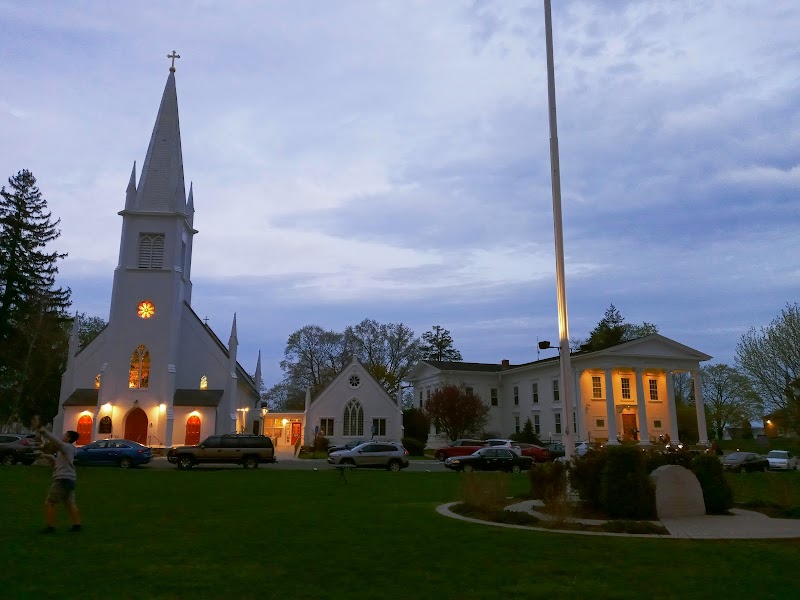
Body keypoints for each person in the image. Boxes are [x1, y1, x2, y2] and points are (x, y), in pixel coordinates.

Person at [39, 427, 81, 533]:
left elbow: (57, 442)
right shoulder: (70, 448)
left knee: (50, 502)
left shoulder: (66, 447)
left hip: (62, 479)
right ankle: (76, 525)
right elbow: (59, 462)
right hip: (70, 479)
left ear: (69, 438)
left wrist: (44, 431)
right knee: (69, 502)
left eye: (65, 435)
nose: (63, 436)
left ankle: (51, 527)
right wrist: (47, 456)